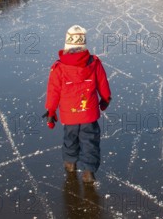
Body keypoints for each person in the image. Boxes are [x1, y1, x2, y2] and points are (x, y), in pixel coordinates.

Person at [43, 25, 112, 183]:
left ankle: (70, 163)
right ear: (83, 45)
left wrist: (51, 111)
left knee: (70, 139)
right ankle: (89, 172)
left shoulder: (58, 68)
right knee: (90, 141)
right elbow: (103, 83)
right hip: (89, 113)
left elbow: (53, 91)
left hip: (70, 115)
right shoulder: (94, 63)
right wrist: (105, 99)